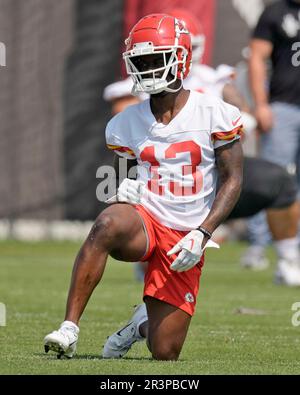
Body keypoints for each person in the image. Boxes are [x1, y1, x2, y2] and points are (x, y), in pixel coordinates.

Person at [44, 13, 243, 360]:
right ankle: (69, 327)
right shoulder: (125, 123)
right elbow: (123, 175)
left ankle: (138, 325)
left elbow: (233, 179)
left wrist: (204, 232)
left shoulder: (214, 112)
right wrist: (126, 187)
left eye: (156, 60)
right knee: (107, 222)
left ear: (180, 59)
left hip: (186, 237)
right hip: (146, 222)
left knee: (165, 352)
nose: (148, 68)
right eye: (141, 61)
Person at [245, 0, 300, 268]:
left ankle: (292, 250)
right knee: (271, 179)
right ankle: (258, 246)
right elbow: (257, 57)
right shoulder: (276, 13)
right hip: (283, 107)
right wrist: (261, 104)